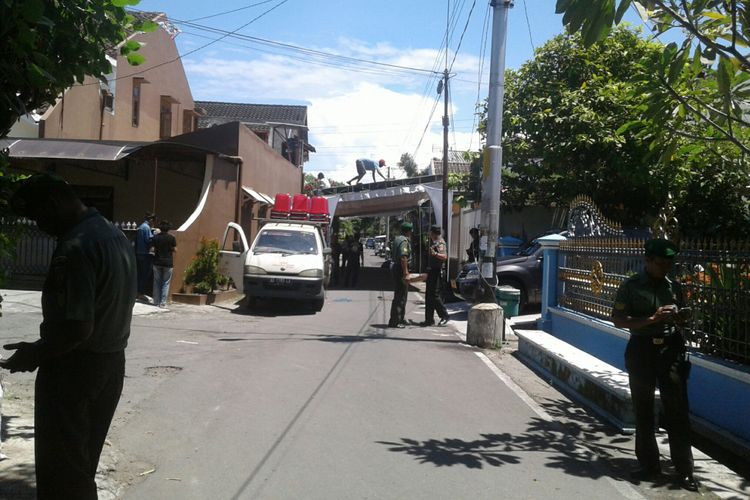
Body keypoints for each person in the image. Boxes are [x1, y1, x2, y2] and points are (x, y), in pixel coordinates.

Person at [2, 173, 136, 499]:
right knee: (81, 467)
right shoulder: (113, 235)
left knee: (63, 475)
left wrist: (34, 354)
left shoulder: (76, 246)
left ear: (52, 205)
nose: (41, 225)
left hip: (74, 371)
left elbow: (76, 328)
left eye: (38, 216)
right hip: (110, 365)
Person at [611, 238, 698, 492]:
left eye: (670, 262)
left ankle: (684, 472)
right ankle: (649, 465)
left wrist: (681, 318)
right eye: (661, 263)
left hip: (671, 350)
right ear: (647, 260)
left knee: (678, 412)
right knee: (644, 410)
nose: (666, 267)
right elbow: (618, 320)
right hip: (642, 351)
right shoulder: (630, 286)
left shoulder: (674, 288)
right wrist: (651, 319)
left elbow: (682, 320)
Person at [421, 226, 450, 327]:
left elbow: (444, 257)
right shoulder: (433, 242)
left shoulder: (440, 242)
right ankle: (429, 319)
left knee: (434, 295)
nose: (429, 234)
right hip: (431, 270)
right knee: (429, 295)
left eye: (430, 232)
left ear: (433, 233)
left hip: (437, 271)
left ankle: (444, 315)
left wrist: (435, 254)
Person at [388, 222, 413, 328]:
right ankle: (395, 321)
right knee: (400, 295)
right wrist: (406, 272)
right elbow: (403, 257)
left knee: (403, 294)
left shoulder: (397, 238)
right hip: (400, 269)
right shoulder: (403, 241)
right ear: (409, 231)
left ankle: (401, 318)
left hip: (397, 267)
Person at [151, 220, 177, 308]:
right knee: (165, 283)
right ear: (168, 229)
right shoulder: (172, 238)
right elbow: (175, 250)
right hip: (168, 263)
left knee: (157, 282)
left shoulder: (155, 237)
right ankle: (162, 303)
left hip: (157, 261)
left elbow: (153, 249)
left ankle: (156, 301)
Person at [135, 211, 156, 301]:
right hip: (144, 254)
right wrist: (155, 234)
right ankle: (141, 293)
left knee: (139, 274)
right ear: (151, 219)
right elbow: (148, 240)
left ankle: (137, 292)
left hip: (139, 253)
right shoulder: (146, 228)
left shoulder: (141, 227)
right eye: (153, 220)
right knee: (144, 275)